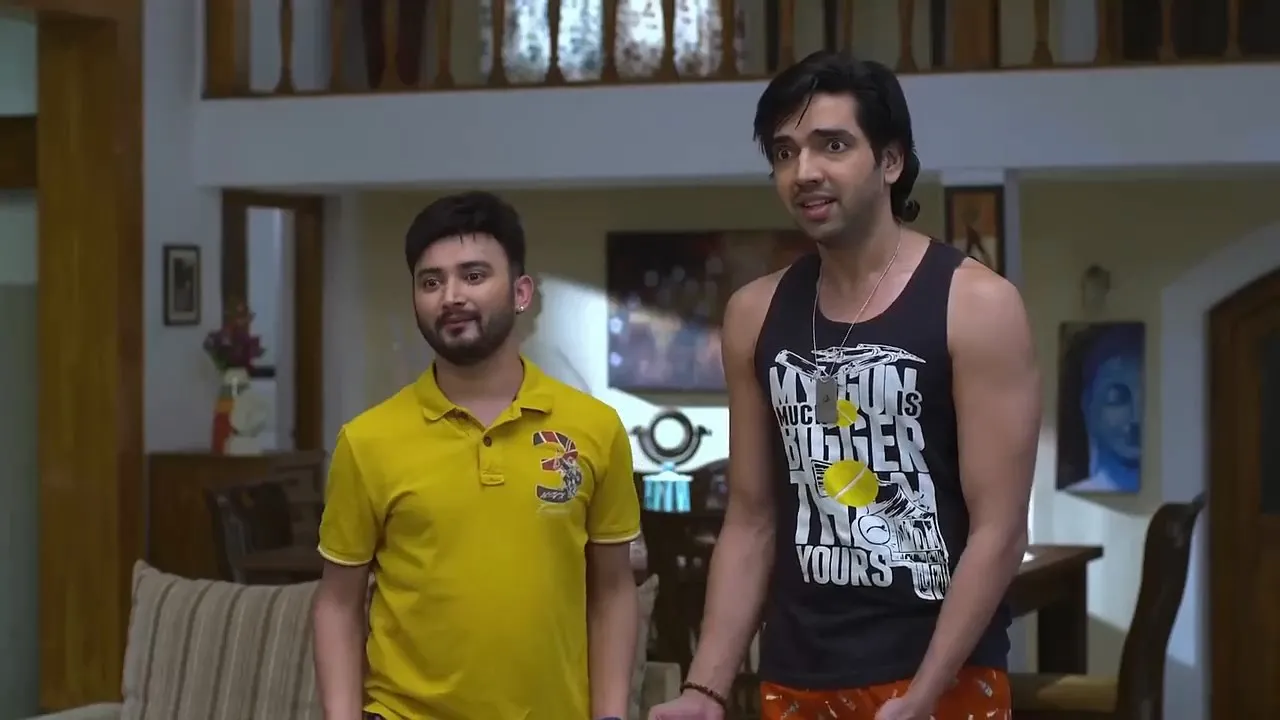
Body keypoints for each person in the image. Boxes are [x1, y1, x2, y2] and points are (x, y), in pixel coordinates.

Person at [648, 51, 1040, 720]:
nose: (804, 171)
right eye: (784, 152)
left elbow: (999, 530)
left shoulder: (977, 305)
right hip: (797, 675)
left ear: (890, 160)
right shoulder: (754, 313)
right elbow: (751, 520)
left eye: (832, 145)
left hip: (943, 676)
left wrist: (923, 695)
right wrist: (705, 689)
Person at [312, 191, 642, 720]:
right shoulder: (367, 440)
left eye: (473, 275)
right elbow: (337, 604)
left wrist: (610, 714)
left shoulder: (595, 429)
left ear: (520, 292)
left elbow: (612, 591)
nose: (451, 296)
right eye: (431, 282)